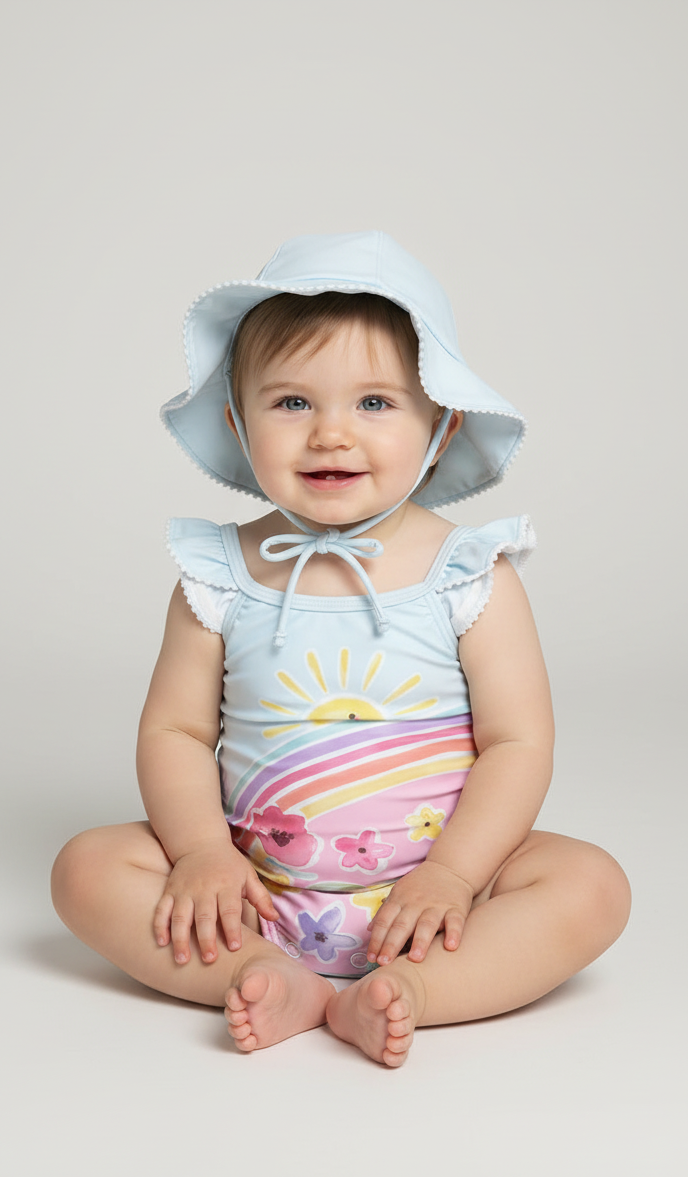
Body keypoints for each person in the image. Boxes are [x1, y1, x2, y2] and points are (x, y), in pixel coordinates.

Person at [51, 232, 631, 1067]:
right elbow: (174, 733)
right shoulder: (217, 575)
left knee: (591, 886)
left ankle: (416, 991)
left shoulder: (467, 575)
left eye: (374, 403)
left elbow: (518, 742)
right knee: (85, 867)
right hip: (252, 886)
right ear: (236, 424)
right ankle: (259, 974)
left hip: (435, 898)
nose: (330, 434)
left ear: (441, 424)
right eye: (290, 403)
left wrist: (458, 876)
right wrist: (205, 855)